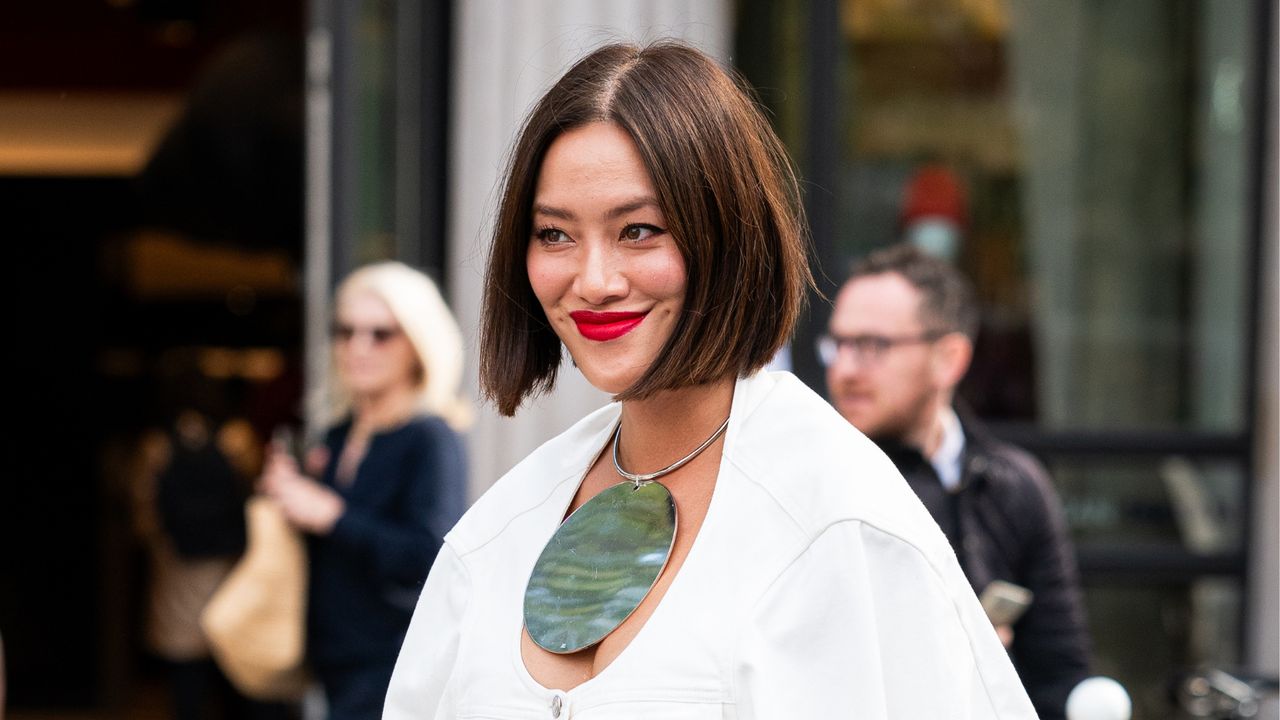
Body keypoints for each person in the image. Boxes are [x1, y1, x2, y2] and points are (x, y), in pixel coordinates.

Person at [384, 40, 1036, 718]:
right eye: (554, 234)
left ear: (726, 235)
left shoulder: (839, 521)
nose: (595, 280)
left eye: (638, 230)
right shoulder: (496, 533)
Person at [820, 243, 1091, 719]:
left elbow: (1059, 675)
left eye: (873, 346)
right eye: (838, 344)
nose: (844, 369)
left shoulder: (1014, 484)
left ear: (949, 358)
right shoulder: (812, 479)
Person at [261, 262, 469, 720]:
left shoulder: (430, 437)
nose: (358, 347)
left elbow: (430, 558)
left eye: (380, 334)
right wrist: (287, 493)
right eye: (346, 331)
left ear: (417, 343)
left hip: (395, 665)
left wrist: (330, 514)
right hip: (331, 663)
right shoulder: (336, 435)